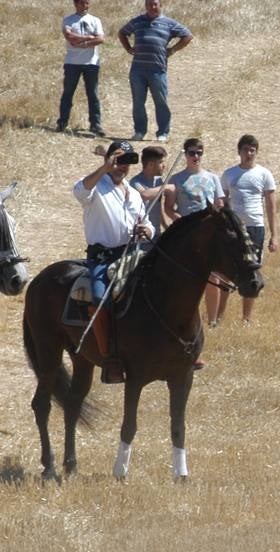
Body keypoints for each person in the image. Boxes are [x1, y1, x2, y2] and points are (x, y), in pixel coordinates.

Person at [75, 139, 152, 383]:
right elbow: (79, 191)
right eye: (118, 160)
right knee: (100, 299)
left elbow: (147, 223)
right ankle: (109, 358)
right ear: (109, 161)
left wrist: (146, 230)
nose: (123, 167)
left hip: (131, 255)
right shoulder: (97, 187)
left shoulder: (134, 194)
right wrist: (104, 168)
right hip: (103, 256)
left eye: (128, 161)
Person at [168, 137, 227, 323]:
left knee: (212, 276)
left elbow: (219, 204)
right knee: (184, 275)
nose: (196, 156)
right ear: (185, 154)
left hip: (209, 233)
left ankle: (212, 321)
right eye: (192, 153)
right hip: (186, 233)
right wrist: (182, 222)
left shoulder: (212, 178)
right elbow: (169, 208)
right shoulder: (176, 179)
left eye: (199, 153)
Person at [221, 134, 277, 324]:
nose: (249, 153)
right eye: (245, 149)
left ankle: (246, 318)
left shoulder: (264, 174)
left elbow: (271, 206)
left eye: (252, 150)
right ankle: (218, 316)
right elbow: (222, 202)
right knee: (227, 269)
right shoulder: (229, 174)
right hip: (234, 228)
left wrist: (274, 235)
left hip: (255, 227)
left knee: (251, 272)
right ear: (239, 152)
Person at [117, 0, 191, 142]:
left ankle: (163, 132)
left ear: (160, 5)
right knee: (138, 101)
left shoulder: (169, 23)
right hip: (138, 69)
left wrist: (173, 49)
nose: (152, 7)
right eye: (149, 4)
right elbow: (122, 33)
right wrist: (128, 48)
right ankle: (139, 131)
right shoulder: (137, 21)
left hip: (157, 69)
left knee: (160, 101)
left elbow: (187, 35)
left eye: (155, 4)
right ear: (146, 6)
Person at [57, 0, 105, 136]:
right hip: (72, 62)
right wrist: (89, 37)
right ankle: (62, 122)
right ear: (76, 4)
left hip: (91, 63)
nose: (85, 6)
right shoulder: (68, 20)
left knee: (93, 94)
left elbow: (101, 39)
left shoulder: (95, 20)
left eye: (87, 3)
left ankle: (95, 124)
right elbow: (69, 36)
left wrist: (82, 43)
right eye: (82, 3)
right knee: (68, 93)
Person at [129, 144, 172, 233]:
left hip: (156, 234)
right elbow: (144, 195)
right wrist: (166, 187)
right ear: (151, 165)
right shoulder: (135, 182)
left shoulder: (158, 181)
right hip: (141, 237)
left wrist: (165, 226)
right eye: (160, 162)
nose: (164, 166)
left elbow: (159, 207)